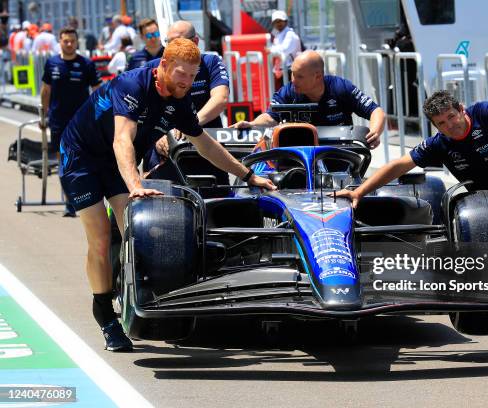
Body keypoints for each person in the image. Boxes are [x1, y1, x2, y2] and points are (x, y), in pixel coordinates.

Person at [58, 38, 275, 351]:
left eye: (192, 75)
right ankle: (104, 314)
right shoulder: (133, 85)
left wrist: (249, 175)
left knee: (135, 232)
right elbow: (122, 141)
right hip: (82, 156)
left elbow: (205, 145)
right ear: (162, 67)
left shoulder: (181, 99)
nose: (187, 81)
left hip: (117, 160)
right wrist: (134, 185)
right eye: (181, 74)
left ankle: (138, 297)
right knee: (101, 239)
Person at [336, 91, 488, 353]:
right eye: (441, 123)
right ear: (435, 126)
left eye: (452, 117)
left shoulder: (484, 113)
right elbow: (399, 166)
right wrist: (359, 192)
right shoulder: (439, 144)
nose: (450, 125)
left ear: (461, 109)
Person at [232, 50, 386, 149]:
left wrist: (375, 132)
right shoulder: (288, 92)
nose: (293, 80)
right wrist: (252, 124)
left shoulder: (340, 87)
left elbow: (375, 111)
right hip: (300, 157)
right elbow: (270, 117)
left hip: (339, 154)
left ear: (318, 76)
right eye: (292, 74)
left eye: (299, 76)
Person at [144, 20, 229, 180]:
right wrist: (157, 136)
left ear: (195, 42)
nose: (173, 48)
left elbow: (220, 99)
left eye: (179, 42)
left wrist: (189, 125)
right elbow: (141, 113)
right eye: (169, 43)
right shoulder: (151, 68)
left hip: (208, 147)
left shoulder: (211, 63)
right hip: (165, 151)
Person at [41, 26, 101, 217]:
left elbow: (98, 91)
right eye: (65, 41)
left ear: (77, 42)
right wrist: (44, 115)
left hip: (82, 123)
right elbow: (45, 91)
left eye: (72, 41)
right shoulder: (52, 63)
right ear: (60, 41)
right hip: (58, 121)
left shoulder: (86, 64)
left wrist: (99, 117)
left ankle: (84, 199)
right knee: (64, 163)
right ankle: (69, 203)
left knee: (82, 162)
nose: (69, 44)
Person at [269, 10, 301, 87]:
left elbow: (284, 49)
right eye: (276, 22)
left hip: (292, 71)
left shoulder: (290, 35)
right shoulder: (278, 35)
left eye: (280, 21)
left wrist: (270, 50)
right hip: (283, 70)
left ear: (286, 22)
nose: (278, 23)